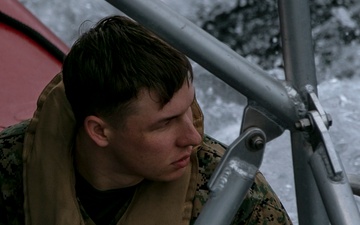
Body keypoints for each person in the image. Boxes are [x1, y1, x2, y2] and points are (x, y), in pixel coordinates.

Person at [0, 15, 292, 225]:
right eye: (164, 123)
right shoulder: (7, 168)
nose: (193, 138)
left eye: (189, 109)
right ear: (99, 131)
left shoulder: (233, 193)